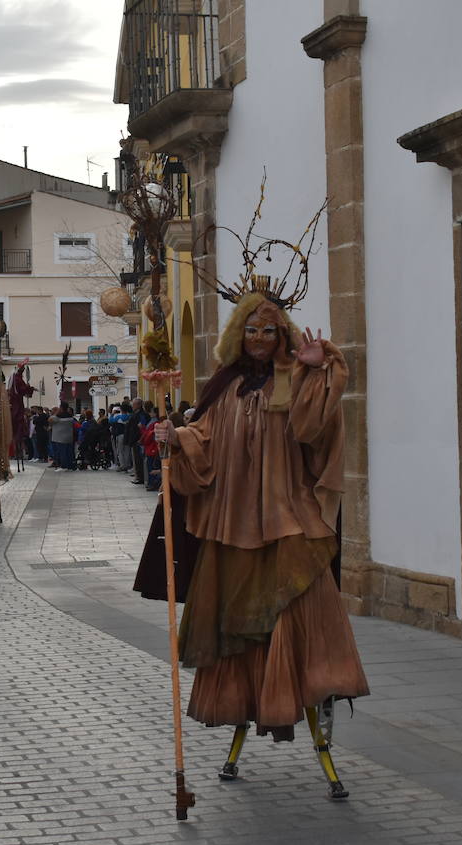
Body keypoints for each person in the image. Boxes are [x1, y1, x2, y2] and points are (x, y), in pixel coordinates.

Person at [135, 286, 368, 798]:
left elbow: (314, 428)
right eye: (253, 330)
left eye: (270, 330)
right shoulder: (226, 386)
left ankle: (307, 708)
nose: (261, 339)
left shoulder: (293, 378)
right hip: (234, 528)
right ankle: (249, 710)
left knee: (292, 619)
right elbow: (207, 443)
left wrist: (316, 367)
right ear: (239, 335)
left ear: (281, 333)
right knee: (242, 629)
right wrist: (177, 436)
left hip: (288, 524)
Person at [48, 405, 75, 471]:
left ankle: (63, 466)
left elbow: (49, 420)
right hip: (69, 437)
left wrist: (56, 413)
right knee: (69, 452)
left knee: (62, 453)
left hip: (59, 438)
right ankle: (70, 466)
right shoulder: (70, 417)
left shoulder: (58, 417)